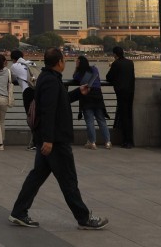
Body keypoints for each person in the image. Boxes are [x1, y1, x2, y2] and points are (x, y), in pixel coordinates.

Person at [8, 48, 108, 231]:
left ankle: (18, 212)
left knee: (36, 176)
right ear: (59, 62)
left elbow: (59, 102)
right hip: (56, 141)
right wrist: (48, 139)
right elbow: (48, 111)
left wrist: (79, 92)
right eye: (64, 60)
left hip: (50, 139)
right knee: (68, 179)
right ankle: (84, 218)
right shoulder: (51, 82)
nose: (65, 63)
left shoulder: (48, 79)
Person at [72, 55, 109, 150]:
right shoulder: (94, 69)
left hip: (86, 95)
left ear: (79, 63)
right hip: (97, 95)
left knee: (89, 121)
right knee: (101, 120)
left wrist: (76, 68)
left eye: (77, 62)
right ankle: (107, 142)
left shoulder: (79, 73)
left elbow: (74, 77)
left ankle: (92, 143)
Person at [105, 46, 135, 148]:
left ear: (115, 54)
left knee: (124, 116)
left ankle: (126, 141)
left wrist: (111, 67)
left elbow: (108, 77)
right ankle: (130, 140)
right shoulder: (130, 63)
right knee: (129, 115)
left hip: (121, 93)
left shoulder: (116, 63)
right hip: (130, 92)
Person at [11, 49, 38, 150]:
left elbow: (12, 78)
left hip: (27, 92)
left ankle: (35, 142)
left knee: (30, 116)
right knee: (38, 116)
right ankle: (37, 140)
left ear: (13, 59)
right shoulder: (31, 62)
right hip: (37, 90)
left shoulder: (14, 66)